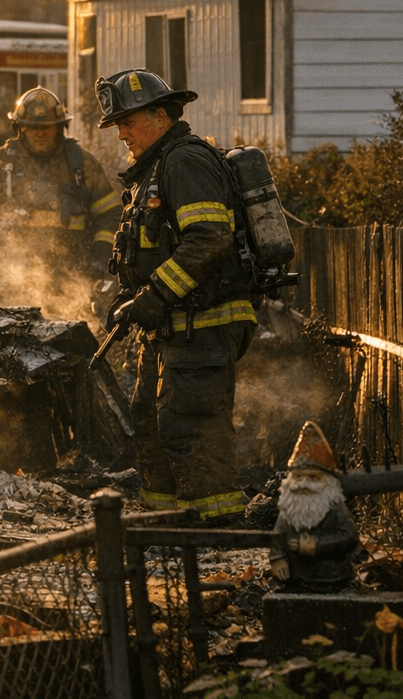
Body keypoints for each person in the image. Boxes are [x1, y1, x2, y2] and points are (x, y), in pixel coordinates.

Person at [98, 68, 255, 522]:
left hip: (202, 327)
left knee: (191, 428)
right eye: (118, 125)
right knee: (151, 423)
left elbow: (208, 239)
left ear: (161, 116)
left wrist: (152, 298)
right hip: (171, 329)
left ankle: (216, 531)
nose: (122, 134)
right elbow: (153, 248)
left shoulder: (184, 161)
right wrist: (128, 298)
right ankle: (164, 529)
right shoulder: (152, 171)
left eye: (128, 122)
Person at [0, 87, 120, 311]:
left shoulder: (82, 165)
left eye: (46, 127)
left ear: (59, 128)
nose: (39, 134)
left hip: (75, 274)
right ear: (20, 129)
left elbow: (111, 212)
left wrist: (100, 255)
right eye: (32, 127)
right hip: (14, 272)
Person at [268, 421, 357, 593]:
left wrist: (317, 545)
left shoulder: (335, 507)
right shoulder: (289, 507)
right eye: (298, 477)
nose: (303, 484)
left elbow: (349, 537)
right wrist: (278, 559)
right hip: (296, 577)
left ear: (328, 481)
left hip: (332, 576)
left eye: (313, 478)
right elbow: (277, 536)